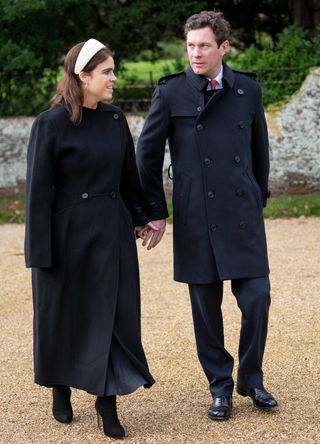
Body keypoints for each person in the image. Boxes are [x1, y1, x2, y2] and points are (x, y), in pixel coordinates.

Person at [136, 11, 278, 420]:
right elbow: (146, 158)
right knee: (205, 310)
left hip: (243, 214)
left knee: (258, 300)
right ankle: (220, 386)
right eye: (190, 45)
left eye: (203, 46)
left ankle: (251, 378)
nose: (195, 53)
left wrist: (256, 195)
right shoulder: (171, 92)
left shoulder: (248, 89)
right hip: (197, 217)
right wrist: (156, 212)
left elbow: (259, 151)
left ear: (223, 48)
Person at [25, 38, 157, 439]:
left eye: (113, 71)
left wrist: (142, 217)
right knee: (64, 317)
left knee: (113, 317)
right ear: (83, 77)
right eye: (107, 72)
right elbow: (37, 192)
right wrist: (40, 254)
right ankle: (60, 388)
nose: (114, 79)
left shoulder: (116, 119)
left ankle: (106, 404)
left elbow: (128, 179)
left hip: (112, 235)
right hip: (67, 240)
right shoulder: (49, 124)